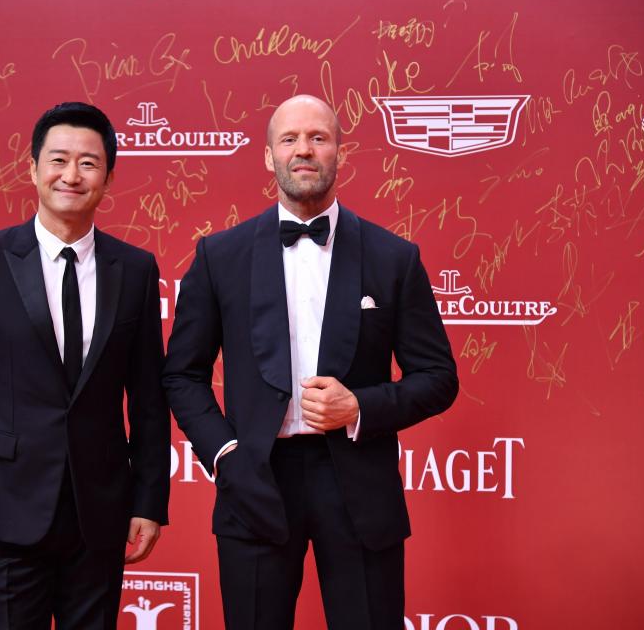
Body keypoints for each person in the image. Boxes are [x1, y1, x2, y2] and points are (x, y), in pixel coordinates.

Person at [162, 95, 459, 630]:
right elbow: (181, 374)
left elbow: (438, 379)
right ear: (268, 156)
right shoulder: (219, 256)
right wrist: (226, 454)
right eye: (290, 139)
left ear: (340, 152)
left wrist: (360, 407)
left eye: (319, 138)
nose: (304, 150)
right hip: (255, 479)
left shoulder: (394, 257)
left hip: (359, 484)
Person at [0, 102, 170, 629]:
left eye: (89, 163)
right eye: (58, 160)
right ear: (33, 168)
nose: (71, 175)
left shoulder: (135, 269)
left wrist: (149, 501)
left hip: (99, 510)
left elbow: (149, 397)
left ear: (107, 176)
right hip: (6, 504)